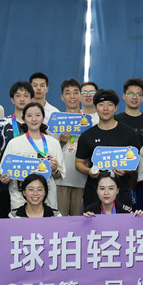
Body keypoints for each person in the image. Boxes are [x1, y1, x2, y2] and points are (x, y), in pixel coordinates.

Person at [75, 89, 141, 207]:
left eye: (110, 105)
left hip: (121, 190)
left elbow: (137, 162)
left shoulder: (129, 133)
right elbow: (79, 162)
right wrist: (89, 171)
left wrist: (126, 170)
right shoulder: (87, 135)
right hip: (94, 191)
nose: (105, 108)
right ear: (95, 108)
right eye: (101, 105)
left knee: (122, 219)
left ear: (115, 108)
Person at [0, 102, 64, 215]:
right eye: (29, 115)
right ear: (24, 119)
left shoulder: (53, 143)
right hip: (19, 197)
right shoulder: (14, 143)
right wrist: (4, 178)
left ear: (43, 118)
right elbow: (3, 174)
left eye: (38, 115)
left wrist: (54, 170)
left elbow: (59, 175)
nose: (34, 119)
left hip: (47, 198)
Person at [0, 81, 34, 217]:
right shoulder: (2, 124)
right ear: (12, 99)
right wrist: (4, 168)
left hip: (34, 183)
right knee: (5, 219)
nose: (22, 99)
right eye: (18, 95)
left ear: (31, 99)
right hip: (7, 183)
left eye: (26, 95)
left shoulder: (38, 125)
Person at [52, 78, 95, 217]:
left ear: (80, 96)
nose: (72, 96)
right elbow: (48, 153)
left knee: (80, 221)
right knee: (61, 222)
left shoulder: (88, 122)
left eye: (75, 92)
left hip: (82, 180)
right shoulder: (56, 121)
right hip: (60, 180)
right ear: (62, 97)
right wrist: (61, 143)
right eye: (68, 93)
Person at [115, 78, 143, 211]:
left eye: (138, 94)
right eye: (131, 93)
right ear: (124, 96)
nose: (135, 97)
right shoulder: (115, 120)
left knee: (141, 216)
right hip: (119, 180)